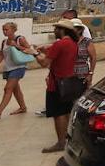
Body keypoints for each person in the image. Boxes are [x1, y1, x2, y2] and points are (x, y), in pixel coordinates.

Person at [32, 19, 81, 153]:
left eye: (57, 28)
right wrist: (46, 50)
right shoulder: (73, 43)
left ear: (63, 30)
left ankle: (60, 143)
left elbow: (44, 63)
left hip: (57, 84)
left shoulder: (59, 44)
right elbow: (59, 58)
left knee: (58, 113)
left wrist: (34, 53)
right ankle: (66, 138)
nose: (54, 30)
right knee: (66, 112)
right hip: (69, 82)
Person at [0, 22, 32, 119]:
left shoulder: (20, 39)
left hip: (18, 67)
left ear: (14, 30)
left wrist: (16, 45)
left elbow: (30, 50)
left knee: (8, 89)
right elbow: (1, 55)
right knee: (15, 89)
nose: (5, 32)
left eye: (7, 29)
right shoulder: (4, 42)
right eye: (3, 30)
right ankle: (23, 108)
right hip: (8, 68)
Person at [70, 18, 97, 90]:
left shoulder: (87, 41)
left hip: (83, 74)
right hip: (69, 75)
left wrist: (90, 74)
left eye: (74, 29)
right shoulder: (68, 42)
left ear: (80, 30)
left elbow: (93, 58)